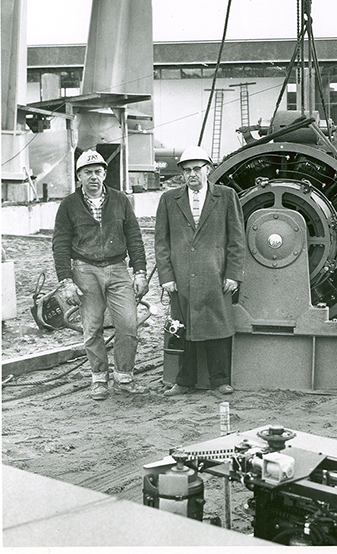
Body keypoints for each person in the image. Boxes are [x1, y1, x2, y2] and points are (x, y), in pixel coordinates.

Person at [52, 150, 149, 400]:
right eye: (87, 172)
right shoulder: (68, 206)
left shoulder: (120, 200)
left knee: (128, 324)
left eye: (98, 172)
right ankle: (98, 378)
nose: (93, 177)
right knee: (92, 326)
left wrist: (139, 272)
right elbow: (60, 244)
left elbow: (135, 238)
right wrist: (66, 282)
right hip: (85, 270)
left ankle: (124, 375)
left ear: (105, 174)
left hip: (118, 268)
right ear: (79, 176)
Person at [155, 145, 245, 396]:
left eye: (197, 169)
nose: (192, 175)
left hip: (215, 276)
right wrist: (167, 277)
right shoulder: (169, 200)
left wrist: (233, 274)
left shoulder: (226, 196)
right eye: (186, 171)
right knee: (183, 328)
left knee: (218, 327)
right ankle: (184, 382)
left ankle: (220, 380)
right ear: (182, 174)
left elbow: (237, 239)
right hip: (181, 278)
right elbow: (161, 242)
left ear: (208, 170)